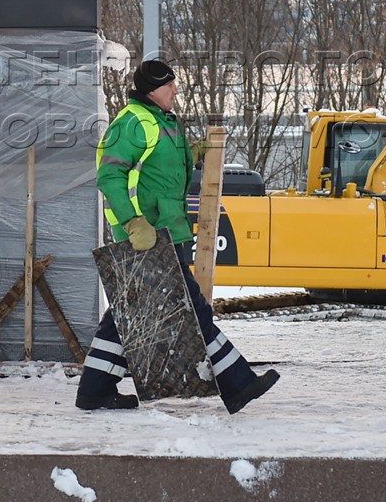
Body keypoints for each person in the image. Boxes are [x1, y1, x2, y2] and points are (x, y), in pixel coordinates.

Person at [76, 58, 281, 413]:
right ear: (151, 90)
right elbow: (110, 177)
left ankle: (95, 391)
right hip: (147, 237)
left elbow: (163, 166)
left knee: (128, 314)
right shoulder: (134, 123)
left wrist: (193, 154)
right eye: (169, 84)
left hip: (169, 233)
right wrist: (131, 222)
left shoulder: (161, 121)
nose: (176, 90)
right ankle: (237, 383)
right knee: (192, 309)